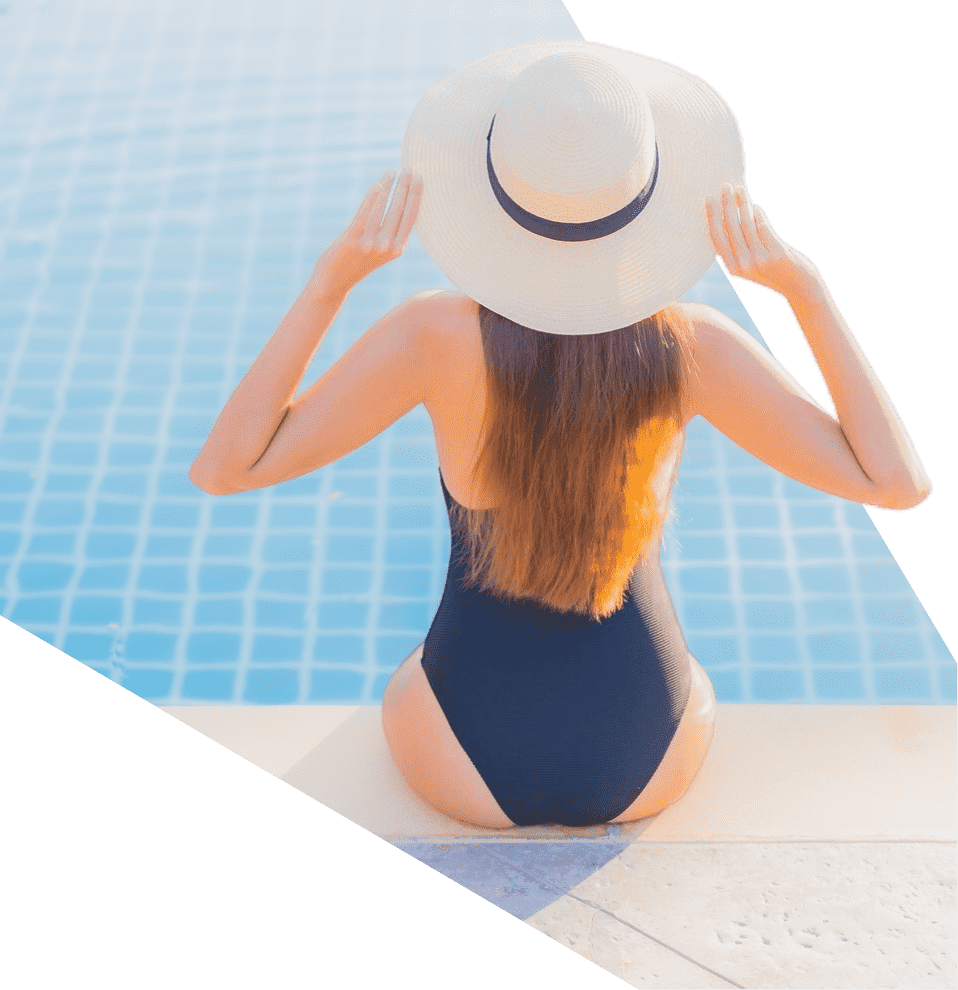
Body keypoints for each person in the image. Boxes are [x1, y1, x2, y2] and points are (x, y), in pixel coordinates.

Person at [192, 42, 932, 830]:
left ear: (493, 192)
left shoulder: (428, 336)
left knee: (409, 677)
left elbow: (228, 468)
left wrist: (329, 282)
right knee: (700, 686)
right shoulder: (693, 349)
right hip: (646, 756)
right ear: (649, 196)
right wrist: (805, 292)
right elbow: (895, 485)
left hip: (458, 760)